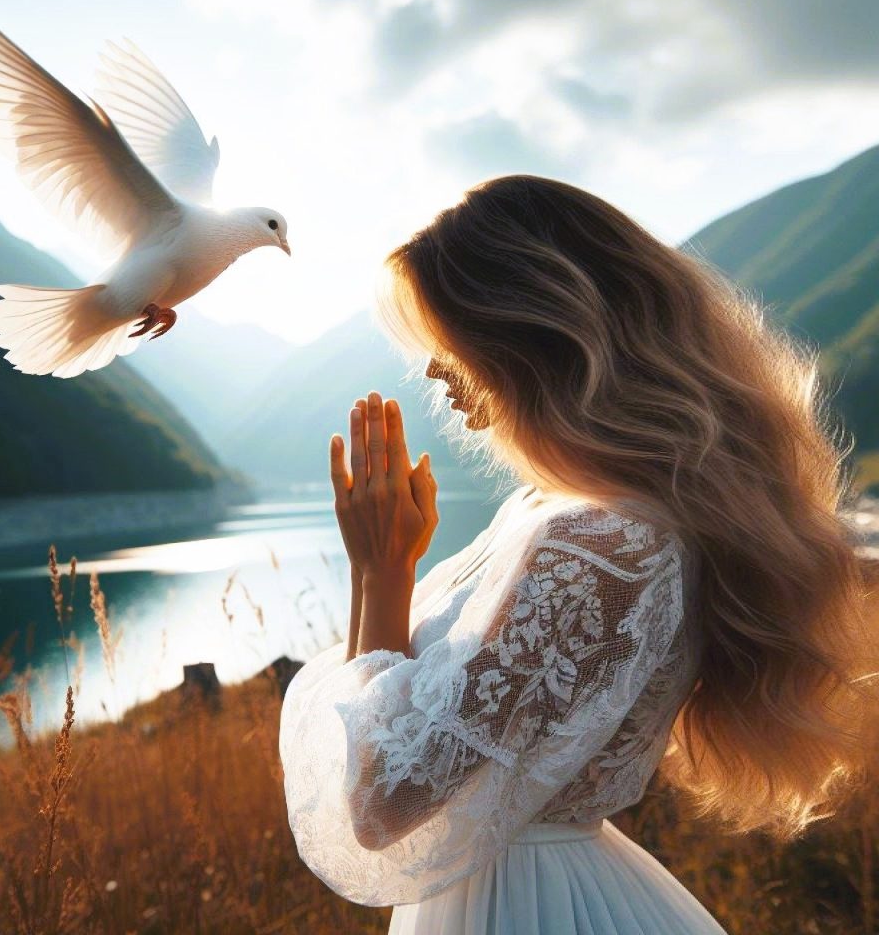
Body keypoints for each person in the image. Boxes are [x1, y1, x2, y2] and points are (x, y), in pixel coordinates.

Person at [277, 175, 879, 934]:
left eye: (446, 340)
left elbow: (383, 804)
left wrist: (381, 572)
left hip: (522, 905)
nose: (434, 372)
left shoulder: (598, 543)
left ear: (530, 332)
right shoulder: (600, 519)